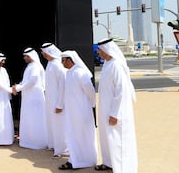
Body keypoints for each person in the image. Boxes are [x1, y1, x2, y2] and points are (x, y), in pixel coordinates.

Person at [95, 38, 138, 173]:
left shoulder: (116, 66)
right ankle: (109, 163)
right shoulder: (108, 64)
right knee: (108, 139)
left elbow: (121, 93)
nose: (99, 53)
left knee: (118, 140)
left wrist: (115, 114)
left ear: (108, 50)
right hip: (106, 110)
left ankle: (122, 168)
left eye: (100, 51)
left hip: (116, 113)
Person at [58, 50, 97, 170]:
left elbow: (90, 92)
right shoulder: (69, 73)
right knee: (73, 135)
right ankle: (75, 160)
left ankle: (84, 160)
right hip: (72, 112)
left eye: (63, 60)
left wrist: (91, 105)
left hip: (81, 111)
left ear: (70, 60)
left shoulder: (80, 73)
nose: (62, 63)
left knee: (82, 135)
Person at [13, 47, 48, 150]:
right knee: (29, 118)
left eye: (25, 56)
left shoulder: (36, 66)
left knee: (35, 119)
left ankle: (37, 142)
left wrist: (18, 88)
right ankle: (28, 140)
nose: (24, 58)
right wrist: (18, 86)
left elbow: (33, 81)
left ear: (30, 56)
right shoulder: (30, 66)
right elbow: (26, 81)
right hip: (29, 97)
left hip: (35, 97)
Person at [40, 43, 67, 158]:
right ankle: (54, 145)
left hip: (57, 102)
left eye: (44, 51)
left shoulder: (58, 65)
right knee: (52, 124)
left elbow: (63, 86)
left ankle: (62, 149)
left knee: (59, 125)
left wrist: (60, 104)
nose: (43, 54)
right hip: (50, 100)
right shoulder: (50, 64)